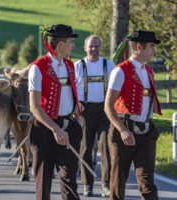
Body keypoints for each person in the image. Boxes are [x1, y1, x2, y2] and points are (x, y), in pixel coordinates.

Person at [104, 30, 162, 200]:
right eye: (151, 46)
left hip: (146, 133)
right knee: (117, 183)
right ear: (139, 47)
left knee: (148, 184)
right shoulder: (120, 71)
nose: (154, 51)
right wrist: (122, 131)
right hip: (123, 131)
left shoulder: (149, 71)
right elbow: (108, 106)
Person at [28, 24, 82, 200]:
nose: (73, 46)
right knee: (43, 183)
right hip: (45, 129)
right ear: (60, 45)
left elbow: (71, 95)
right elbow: (34, 106)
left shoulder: (70, 66)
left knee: (69, 180)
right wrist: (55, 129)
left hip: (69, 128)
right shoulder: (37, 67)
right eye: (70, 42)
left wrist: (78, 117)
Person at [74, 35, 115, 197]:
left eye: (96, 46)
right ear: (85, 48)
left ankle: (106, 183)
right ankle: (87, 184)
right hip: (85, 110)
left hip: (105, 110)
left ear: (100, 47)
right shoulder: (78, 66)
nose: (94, 49)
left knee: (106, 145)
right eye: (91, 46)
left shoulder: (109, 65)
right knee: (85, 148)